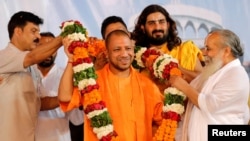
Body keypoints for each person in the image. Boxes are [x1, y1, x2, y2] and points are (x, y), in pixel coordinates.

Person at [58, 29, 163, 141]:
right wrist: (71, 60)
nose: (124, 54)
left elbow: (161, 122)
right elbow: (65, 97)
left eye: (128, 48)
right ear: (107, 53)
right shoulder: (92, 82)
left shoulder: (148, 86)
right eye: (117, 49)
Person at [169, 29, 250, 141]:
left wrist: (184, 86)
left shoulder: (236, 75)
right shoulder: (216, 72)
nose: (204, 53)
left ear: (226, 51)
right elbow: (195, 88)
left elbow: (209, 104)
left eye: (209, 49)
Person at [0, 11, 62, 141]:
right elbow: (32, 56)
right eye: (33, 31)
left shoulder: (33, 68)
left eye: (38, 32)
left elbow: (39, 103)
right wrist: (63, 38)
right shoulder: (4, 57)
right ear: (18, 32)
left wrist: (69, 97)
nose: (38, 36)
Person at [132, 4, 204, 86]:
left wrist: (171, 64)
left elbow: (203, 81)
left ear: (168, 25)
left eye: (161, 22)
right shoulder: (136, 57)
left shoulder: (186, 49)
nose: (157, 27)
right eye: (151, 23)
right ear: (143, 28)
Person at [35, 32, 84, 141]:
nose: (48, 52)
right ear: (35, 49)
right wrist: (64, 97)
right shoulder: (25, 74)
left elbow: (77, 120)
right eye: (43, 47)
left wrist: (80, 97)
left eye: (53, 48)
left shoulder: (67, 76)